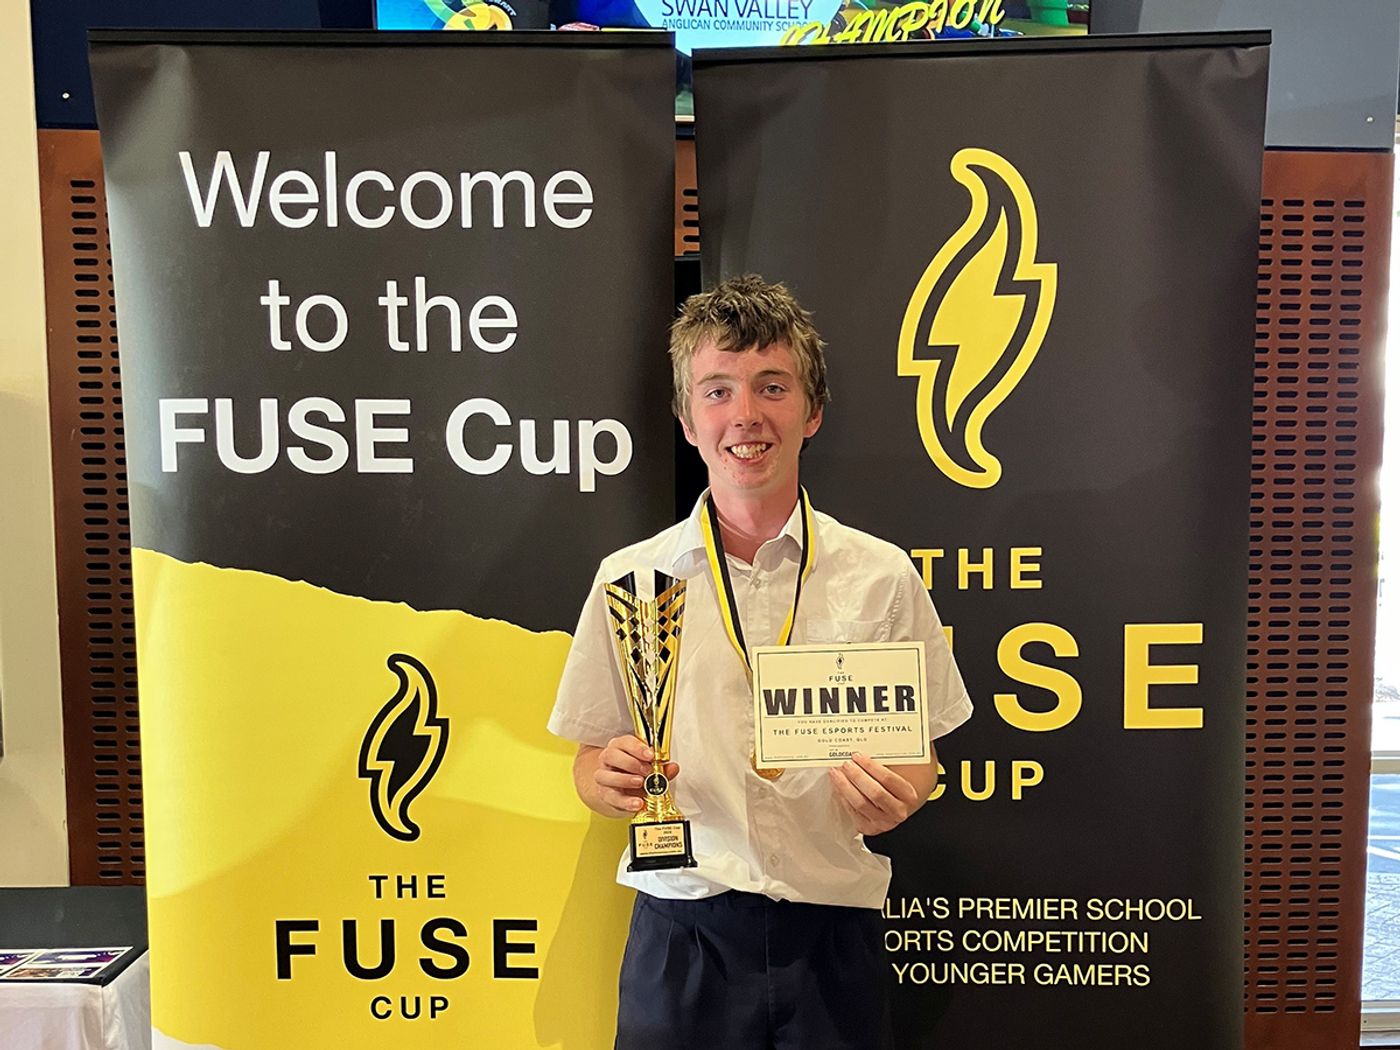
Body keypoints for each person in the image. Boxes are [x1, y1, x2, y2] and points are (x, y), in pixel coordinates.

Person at [548, 274, 971, 1050]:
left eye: (772, 387)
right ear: (687, 419)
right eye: (718, 390)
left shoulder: (881, 575)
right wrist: (603, 779)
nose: (745, 414)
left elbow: (920, 760)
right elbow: (589, 757)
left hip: (830, 934)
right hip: (683, 932)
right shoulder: (632, 580)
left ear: (812, 411)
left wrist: (900, 795)